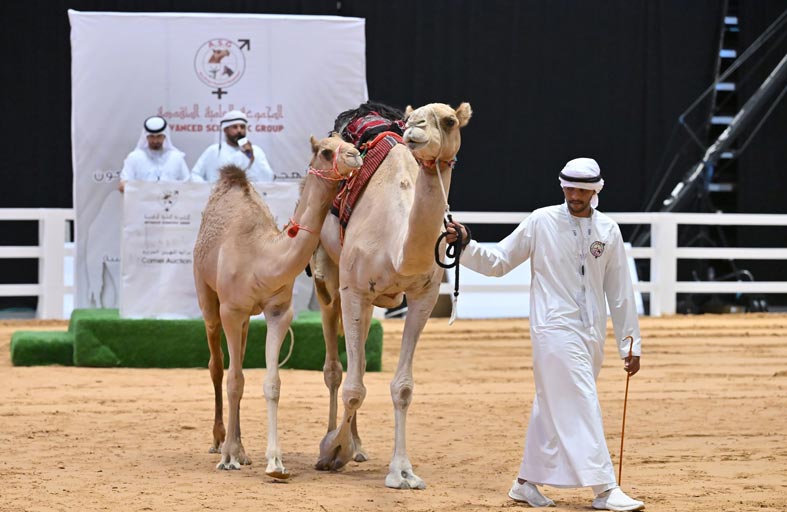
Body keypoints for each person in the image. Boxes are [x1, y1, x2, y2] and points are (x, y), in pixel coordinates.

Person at [446, 158, 645, 511]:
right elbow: (499, 261)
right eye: (569, 188)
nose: (574, 195)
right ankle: (604, 488)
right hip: (553, 329)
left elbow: (620, 292)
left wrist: (630, 344)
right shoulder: (541, 221)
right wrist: (465, 244)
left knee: (552, 405)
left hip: (592, 333)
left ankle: (525, 483)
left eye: (582, 189)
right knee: (581, 401)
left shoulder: (608, 230)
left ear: (596, 191)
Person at [191, 110, 274, 183]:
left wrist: (251, 158)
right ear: (225, 130)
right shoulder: (213, 151)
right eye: (235, 127)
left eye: (242, 127)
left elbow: (268, 179)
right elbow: (195, 175)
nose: (239, 130)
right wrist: (210, 190)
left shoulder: (256, 151)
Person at [118, 116, 190, 192]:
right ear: (146, 136)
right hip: (142, 199)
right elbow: (123, 185)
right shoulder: (134, 157)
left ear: (165, 136)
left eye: (159, 136)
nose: (155, 141)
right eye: (151, 136)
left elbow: (187, 184)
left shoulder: (176, 157)